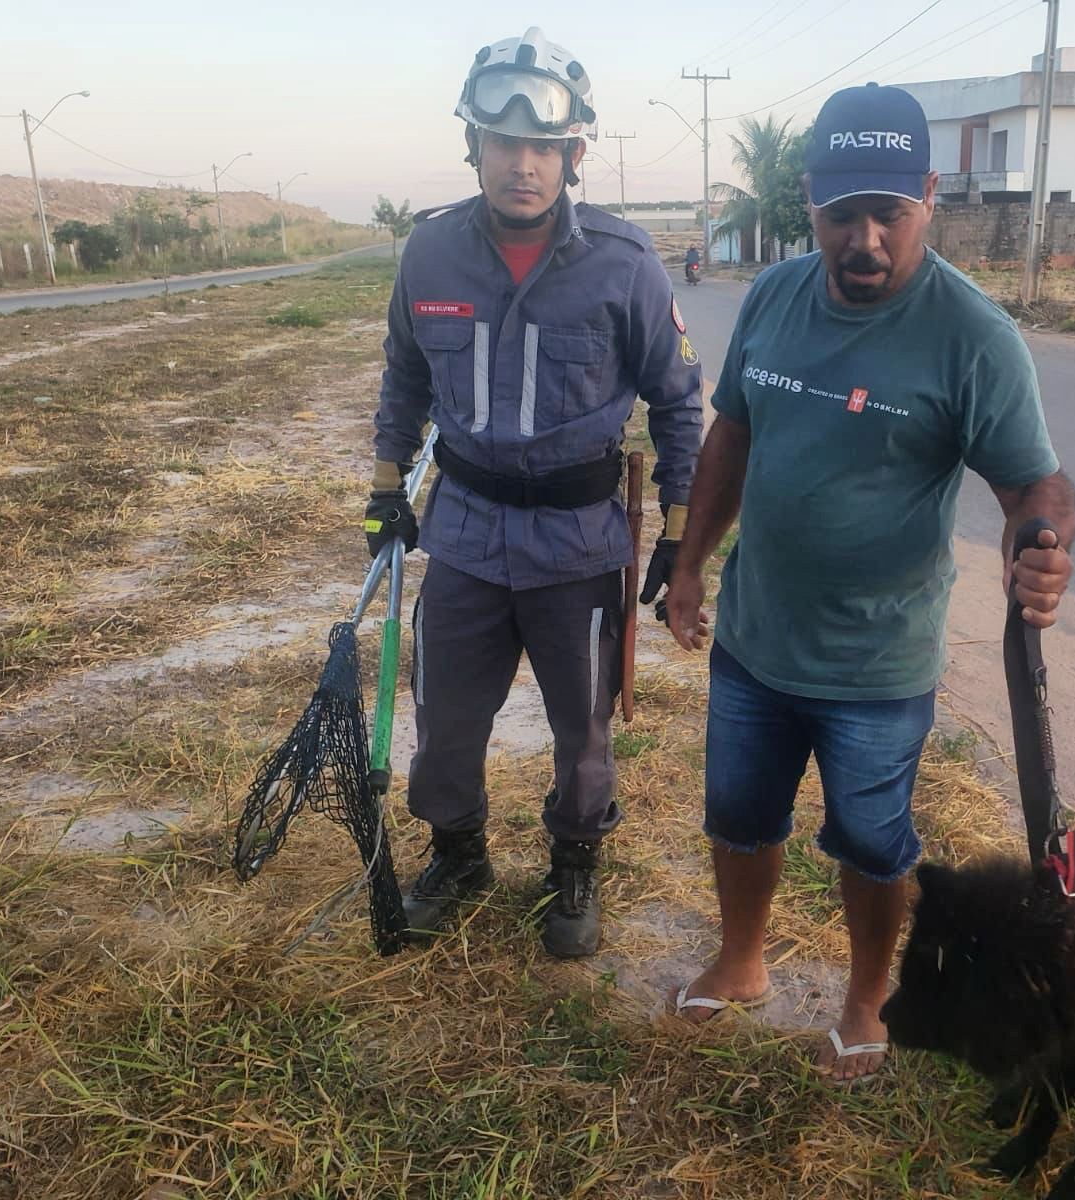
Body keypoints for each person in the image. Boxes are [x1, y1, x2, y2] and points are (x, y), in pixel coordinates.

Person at [661, 83, 1075, 1080]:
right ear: (807, 200)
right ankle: (744, 958)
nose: (864, 242)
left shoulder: (972, 336)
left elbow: (1032, 480)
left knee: (869, 840)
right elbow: (733, 431)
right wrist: (685, 564)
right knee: (738, 814)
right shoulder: (772, 295)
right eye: (841, 214)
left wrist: (1045, 540)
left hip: (878, 662)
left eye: (888, 214)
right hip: (756, 641)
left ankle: (864, 998)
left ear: (928, 195)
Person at [366, 26, 703, 959]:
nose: (523, 164)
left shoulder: (625, 265)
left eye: (544, 148)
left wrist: (680, 532)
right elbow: (402, 375)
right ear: (472, 144)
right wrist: (385, 487)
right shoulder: (427, 256)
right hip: (466, 535)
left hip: (578, 545)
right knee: (443, 723)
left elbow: (679, 404)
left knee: (583, 733)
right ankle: (459, 853)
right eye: (503, 143)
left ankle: (575, 866)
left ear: (574, 155)